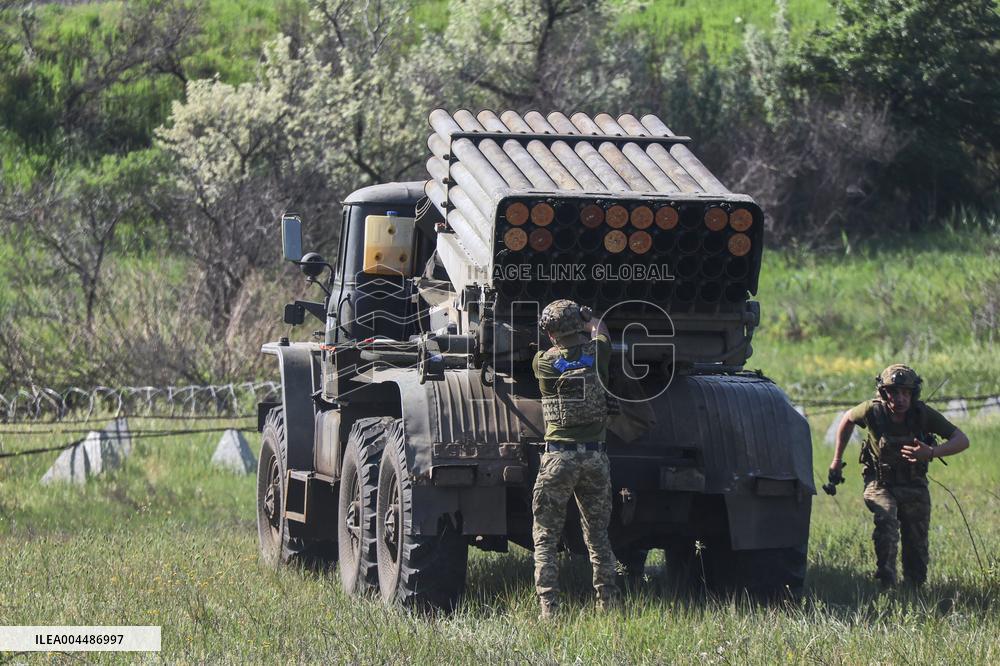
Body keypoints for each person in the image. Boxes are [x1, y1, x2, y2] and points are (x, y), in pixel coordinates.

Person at [826, 364, 970, 588]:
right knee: (887, 519)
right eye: (893, 392)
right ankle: (887, 583)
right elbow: (847, 420)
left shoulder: (922, 414)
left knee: (916, 541)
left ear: (913, 394)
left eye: (906, 393)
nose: (900, 398)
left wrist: (931, 452)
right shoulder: (872, 411)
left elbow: (962, 440)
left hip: (914, 484)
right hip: (879, 482)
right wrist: (836, 460)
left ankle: (913, 588)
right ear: (884, 393)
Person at [531, 299, 620, 619]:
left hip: (558, 460)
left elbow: (553, 353)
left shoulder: (543, 363)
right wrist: (590, 317)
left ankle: (549, 610)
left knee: (545, 537)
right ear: (578, 326)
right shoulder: (598, 354)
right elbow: (602, 332)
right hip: (595, 460)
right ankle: (607, 604)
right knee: (598, 536)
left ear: (550, 333)